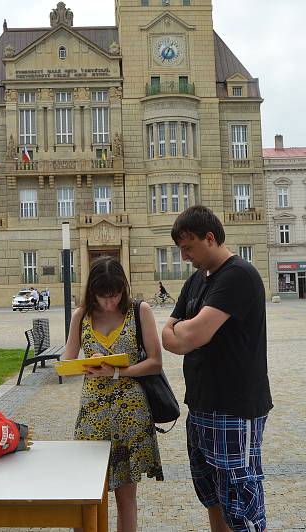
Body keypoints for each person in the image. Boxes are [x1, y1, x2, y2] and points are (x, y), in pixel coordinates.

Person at [162, 205, 272, 532]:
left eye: (188, 248)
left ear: (209, 238)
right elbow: (168, 337)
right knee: (210, 493)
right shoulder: (197, 280)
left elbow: (189, 336)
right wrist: (183, 332)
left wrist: (185, 332)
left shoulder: (238, 275)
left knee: (241, 501)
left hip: (234, 407)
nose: (184, 257)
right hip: (200, 404)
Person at [62, 256, 163, 532]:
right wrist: (87, 364)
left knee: (126, 497)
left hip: (130, 412)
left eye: (115, 295)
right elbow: (67, 361)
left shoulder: (139, 311)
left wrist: (117, 372)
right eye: (103, 297)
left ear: (123, 289)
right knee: (87, 493)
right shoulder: (81, 315)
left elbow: (155, 362)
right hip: (93, 413)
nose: (110, 302)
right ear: (92, 292)